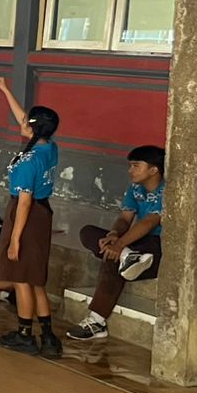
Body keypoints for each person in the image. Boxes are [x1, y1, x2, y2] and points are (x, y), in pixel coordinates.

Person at [0, 77, 62, 356]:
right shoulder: (48, 146)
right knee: (35, 278)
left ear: (32, 127)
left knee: (21, 278)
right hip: (43, 212)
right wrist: (5, 89)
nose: (22, 121)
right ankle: (49, 337)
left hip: (26, 215)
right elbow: (23, 119)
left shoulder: (28, 161)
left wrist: (15, 239)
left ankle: (25, 335)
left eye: (27, 120)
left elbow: (25, 202)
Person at [68, 145, 165, 342]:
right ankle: (127, 257)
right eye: (130, 166)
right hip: (134, 242)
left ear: (154, 169)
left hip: (156, 245)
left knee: (111, 259)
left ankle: (97, 322)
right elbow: (124, 218)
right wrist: (114, 235)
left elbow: (149, 222)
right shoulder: (135, 188)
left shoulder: (167, 191)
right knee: (88, 232)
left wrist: (119, 245)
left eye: (136, 166)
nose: (130, 171)